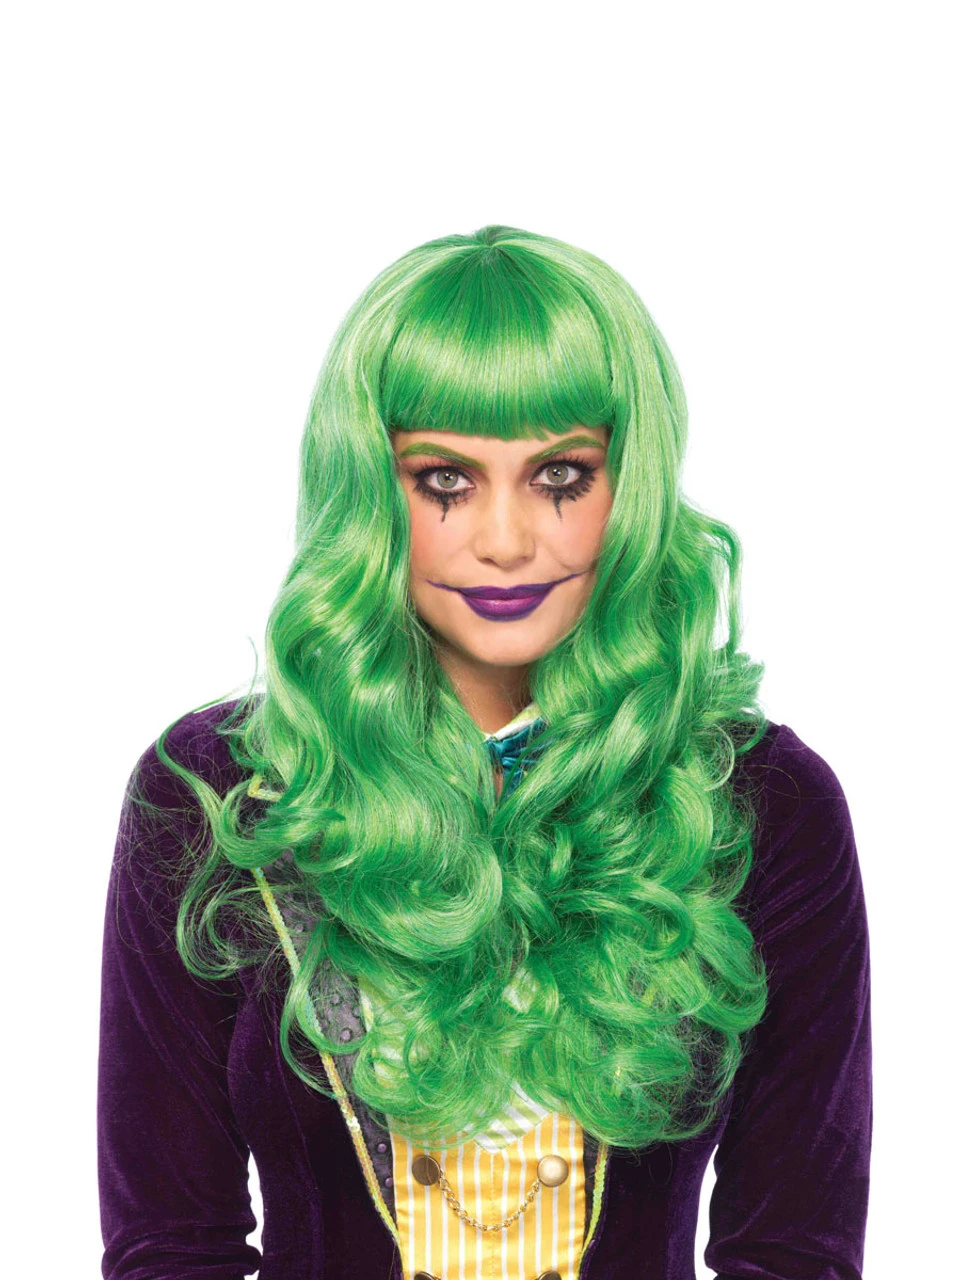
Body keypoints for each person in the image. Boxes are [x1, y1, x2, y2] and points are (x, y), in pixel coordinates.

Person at [98, 225, 872, 1280]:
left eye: (560, 475)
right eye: (445, 481)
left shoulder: (757, 801)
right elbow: (169, 1245)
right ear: (371, 491)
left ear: (630, 488)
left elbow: (792, 1250)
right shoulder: (221, 795)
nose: (506, 540)